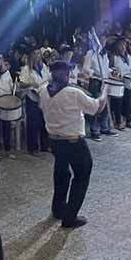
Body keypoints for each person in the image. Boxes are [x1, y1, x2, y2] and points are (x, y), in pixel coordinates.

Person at [39, 61, 106, 229]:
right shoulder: (73, 93)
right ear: (67, 75)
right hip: (73, 142)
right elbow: (96, 108)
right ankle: (70, 217)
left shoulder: (43, 92)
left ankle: (58, 208)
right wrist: (105, 93)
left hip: (54, 140)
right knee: (82, 175)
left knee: (61, 173)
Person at [81, 42, 116, 141]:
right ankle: (94, 130)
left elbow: (105, 67)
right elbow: (85, 69)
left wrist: (111, 71)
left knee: (105, 105)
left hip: (104, 81)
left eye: (104, 40)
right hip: (95, 82)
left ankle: (104, 127)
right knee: (95, 106)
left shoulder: (104, 53)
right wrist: (95, 73)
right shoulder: (91, 53)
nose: (102, 42)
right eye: (101, 40)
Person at [19, 49, 50, 154]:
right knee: (33, 123)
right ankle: (33, 148)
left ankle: (45, 146)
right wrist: (31, 84)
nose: (38, 56)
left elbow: (48, 79)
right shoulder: (26, 69)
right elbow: (21, 84)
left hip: (44, 97)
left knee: (44, 122)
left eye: (39, 54)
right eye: (35, 54)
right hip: (32, 98)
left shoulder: (44, 67)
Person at [110, 38, 131, 129]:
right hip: (118, 82)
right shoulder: (114, 57)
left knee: (128, 101)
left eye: (124, 45)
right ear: (117, 46)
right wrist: (116, 74)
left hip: (128, 81)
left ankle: (128, 120)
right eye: (121, 45)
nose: (123, 47)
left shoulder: (128, 57)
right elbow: (111, 69)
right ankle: (118, 121)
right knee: (118, 102)